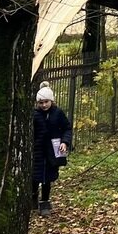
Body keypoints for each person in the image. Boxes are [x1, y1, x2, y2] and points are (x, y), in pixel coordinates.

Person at [33, 85, 72, 216]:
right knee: (34, 177)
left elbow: (67, 128)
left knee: (47, 179)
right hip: (37, 151)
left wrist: (65, 142)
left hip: (52, 151)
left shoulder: (58, 113)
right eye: (41, 102)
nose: (44, 105)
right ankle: (32, 199)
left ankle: (45, 203)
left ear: (51, 101)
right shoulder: (35, 115)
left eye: (46, 102)